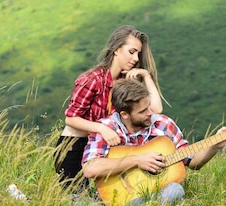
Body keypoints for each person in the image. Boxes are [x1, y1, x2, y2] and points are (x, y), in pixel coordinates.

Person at [82, 79, 226, 206]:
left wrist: (214, 145)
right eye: (143, 111)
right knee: (74, 201)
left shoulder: (163, 124)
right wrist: (137, 160)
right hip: (117, 195)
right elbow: (90, 169)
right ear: (124, 114)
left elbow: (192, 162)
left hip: (157, 193)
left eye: (149, 107)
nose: (150, 113)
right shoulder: (106, 128)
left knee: (175, 190)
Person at [55, 25, 164, 192]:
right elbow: (70, 118)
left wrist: (146, 76)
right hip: (74, 147)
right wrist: (102, 129)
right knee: (76, 201)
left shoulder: (123, 84)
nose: (135, 58)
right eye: (131, 51)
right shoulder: (92, 79)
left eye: (138, 54)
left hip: (100, 148)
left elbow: (155, 109)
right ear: (116, 49)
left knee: (105, 200)